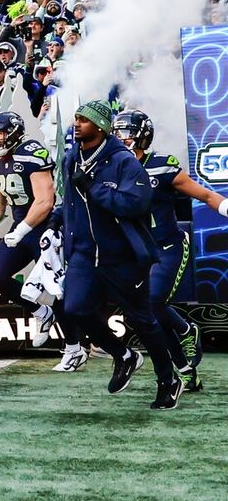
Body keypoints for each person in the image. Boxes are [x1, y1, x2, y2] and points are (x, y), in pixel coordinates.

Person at [60, 101, 181, 409]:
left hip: (121, 256)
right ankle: (123, 355)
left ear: (99, 127)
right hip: (85, 254)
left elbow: (136, 204)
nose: (76, 124)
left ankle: (168, 378)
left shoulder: (124, 161)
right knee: (74, 309)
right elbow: (73, 203)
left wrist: (95, 188)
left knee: (141, 319)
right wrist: (57, 225)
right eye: (75, 119)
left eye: (83, 120)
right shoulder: (72, 156)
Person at [114, 109, 227, 392]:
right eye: (117, 132)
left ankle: (187, 330)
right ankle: (186, 371)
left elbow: (205, 194)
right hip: (136, 253)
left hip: (167, 247)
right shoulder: (112, 168)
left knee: (152, 303)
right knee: (144, 316)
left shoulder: (162, 166)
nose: (120, 138)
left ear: (141, 136)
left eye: (126, 132)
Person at [0, 111, 81, 370]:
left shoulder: (32, 153)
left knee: (56, 289)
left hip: (45, 228)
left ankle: (74, 348)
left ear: (13, 132)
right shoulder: (0, 158)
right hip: (21, 225)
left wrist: (22, 229)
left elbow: (45, 201)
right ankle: (40, 313)